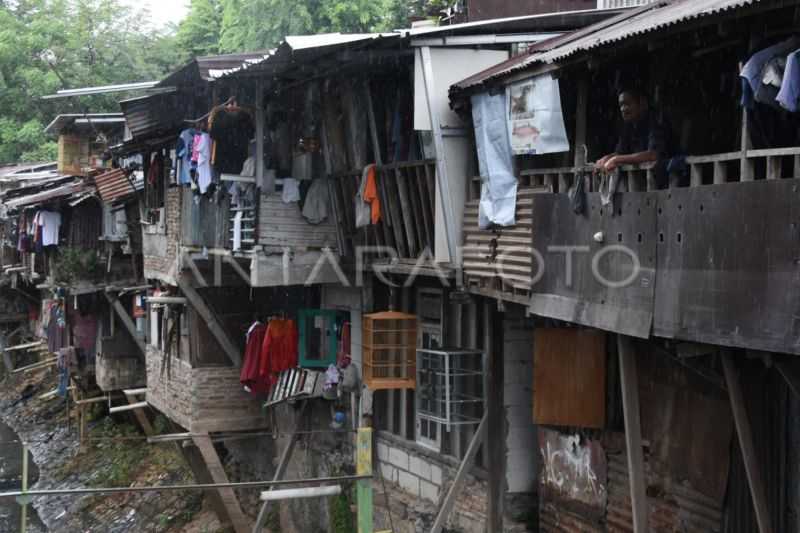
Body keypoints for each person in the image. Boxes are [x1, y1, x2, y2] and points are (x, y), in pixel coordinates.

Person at [595, 88, 674, 188]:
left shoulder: (656, 120)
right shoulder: (628, 126)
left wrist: (616, 160)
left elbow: (653, 155)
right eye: (621, 105)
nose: (623, 109)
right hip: (642, 180)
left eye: (627, 104)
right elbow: (620, 152)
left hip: (667, 179)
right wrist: (605, 159)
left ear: (642, 103)